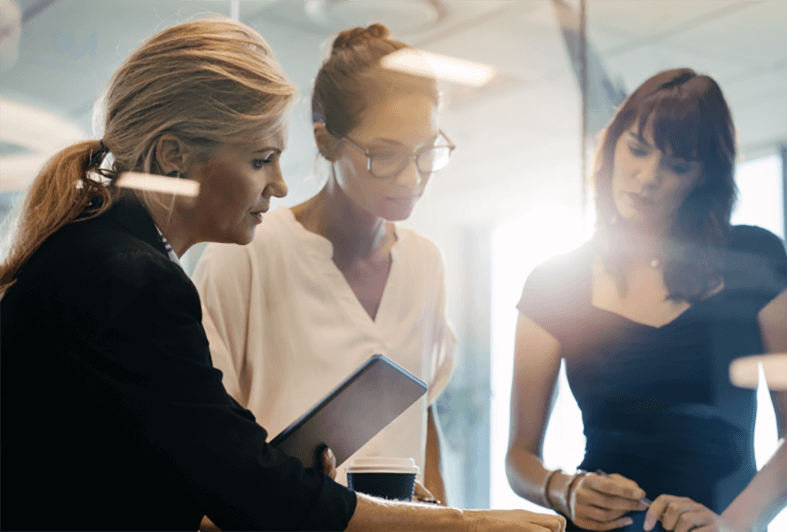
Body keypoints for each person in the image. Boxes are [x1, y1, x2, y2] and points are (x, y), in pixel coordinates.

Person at [0, 18, 564, 532]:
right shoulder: (133, 281)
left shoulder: (101, 258)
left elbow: (195, 471)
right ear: (172, 155)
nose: (279, 184)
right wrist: (464, 525)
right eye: (258, 160)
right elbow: (247, 488)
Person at [505, 68, 787, 532]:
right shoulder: (553, 283)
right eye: (637, 149)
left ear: (703, 178)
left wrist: (733, 525)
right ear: (612, 145)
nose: (647, 177)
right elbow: (519, 456)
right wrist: (563, 490)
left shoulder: (758, 260)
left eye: (676, 166)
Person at [193, 23, 454, 503]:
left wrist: (447, 517)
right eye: (385, 154)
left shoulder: (424, 263)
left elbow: (422, 416)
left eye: (426, 151)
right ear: (327, 141)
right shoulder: (246, 254)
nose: (412, 177)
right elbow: (207, 438)